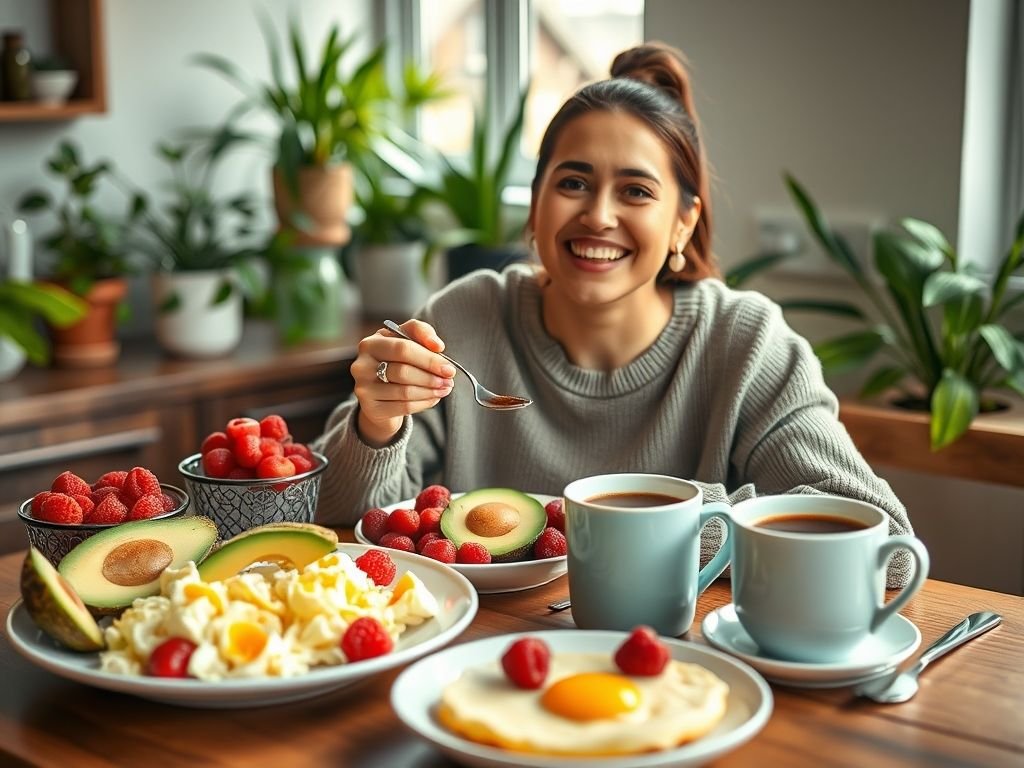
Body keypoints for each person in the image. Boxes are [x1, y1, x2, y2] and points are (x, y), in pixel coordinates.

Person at [313, 42, 915, 588]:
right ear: (537, 204)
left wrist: (649, 517)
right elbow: (335, 521)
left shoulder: (747, 342)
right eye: (573, 182)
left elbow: (890, 550)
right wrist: (376, 424)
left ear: (683, 222)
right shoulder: (466, 317)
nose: (599, 215)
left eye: (636, 191)